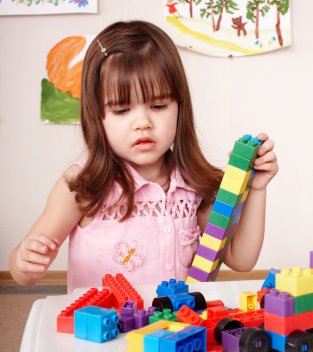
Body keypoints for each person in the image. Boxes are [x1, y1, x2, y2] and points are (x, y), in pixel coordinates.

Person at [9, 21, 278, 292]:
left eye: (158, 105)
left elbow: (240, 259)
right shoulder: (81, 184)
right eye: (122, 110)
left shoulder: (195, 184)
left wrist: (256, 189)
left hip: (177, 331)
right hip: (107, 333)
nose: (142, 122)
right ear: (98, 116)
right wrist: (25, 262)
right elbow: (23, 272)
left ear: (179, 107)